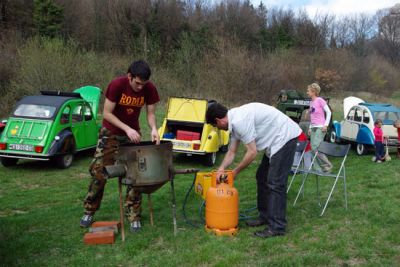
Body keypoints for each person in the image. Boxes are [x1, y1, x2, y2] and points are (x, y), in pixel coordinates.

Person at [80, 60, 160, 232]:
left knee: (135, 175)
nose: (140, 87)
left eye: (143, 84)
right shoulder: (117, 85)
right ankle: (89, 210)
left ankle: (133, 216)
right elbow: (107, 113)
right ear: (129, 76)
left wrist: (154, 129)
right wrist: (127, 128)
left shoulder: (150, 88)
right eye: (137, 83)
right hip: (110, 135)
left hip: (132, 136)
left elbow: (151, 113)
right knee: (98, 172)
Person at [206, 102, 301, 238]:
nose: (218, 129)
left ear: (218, 120)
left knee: (275, 183)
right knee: (261, 176)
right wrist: (222, 168)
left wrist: (235, 172)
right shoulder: (234, 122)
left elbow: (252, 152)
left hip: (285, 137)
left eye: (216, 126)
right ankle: (265, 216)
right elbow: (232, 152)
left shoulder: (239, 121)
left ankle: (277, 227)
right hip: (274, 140)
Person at [306, 83, 333, 172]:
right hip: (313, 127)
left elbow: (329, 112)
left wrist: (326, 125)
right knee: (313, 148)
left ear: (313, 92)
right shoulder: (311, 102)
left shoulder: (320, 100)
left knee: (315, 146)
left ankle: (327, 165)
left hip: (321, 127)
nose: (307, 92)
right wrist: (310, 127)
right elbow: (312, 116)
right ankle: (318, 169)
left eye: (308, 91)